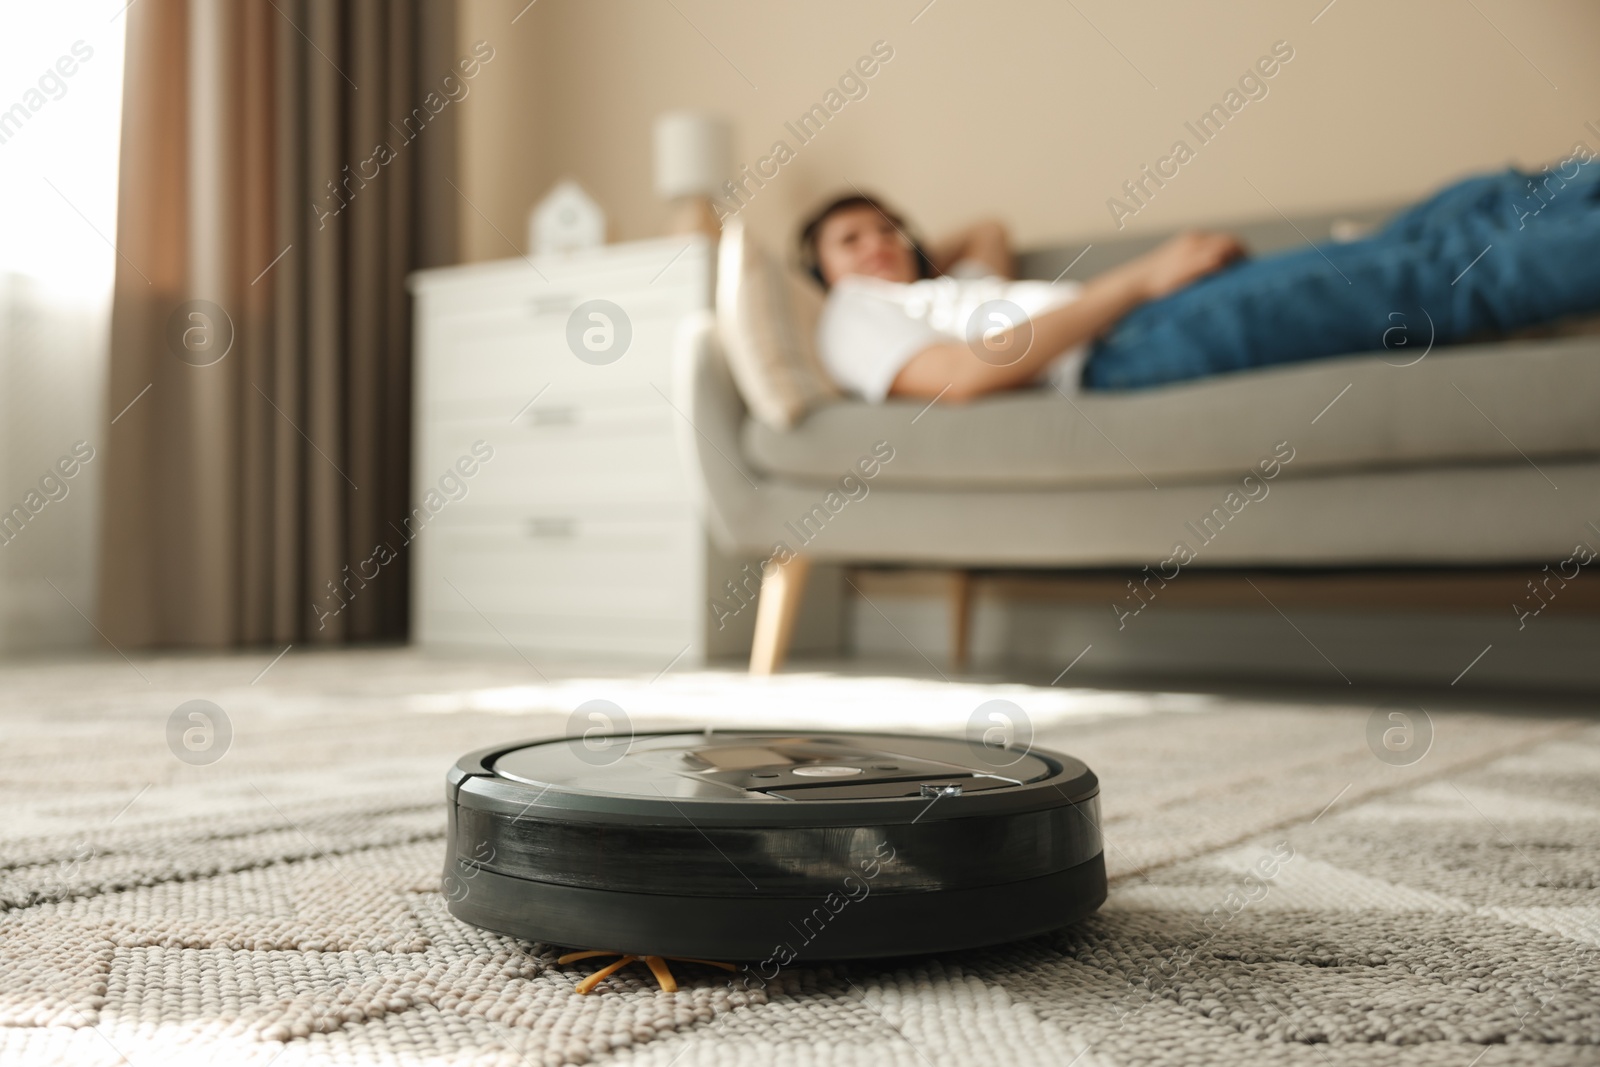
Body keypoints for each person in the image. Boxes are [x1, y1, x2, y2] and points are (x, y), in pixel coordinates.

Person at [800, 153, 1600, 402]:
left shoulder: (939, 290)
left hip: (1143, 313)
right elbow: (971, 373)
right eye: (849, 239)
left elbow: (989, 231)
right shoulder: (852, 312)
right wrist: (1141, 279)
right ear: (821, 270)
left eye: (885, 229)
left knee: (1464, 211)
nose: (874, 245)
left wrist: (919, 258)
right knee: (1434, 276)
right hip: (1127, 340)